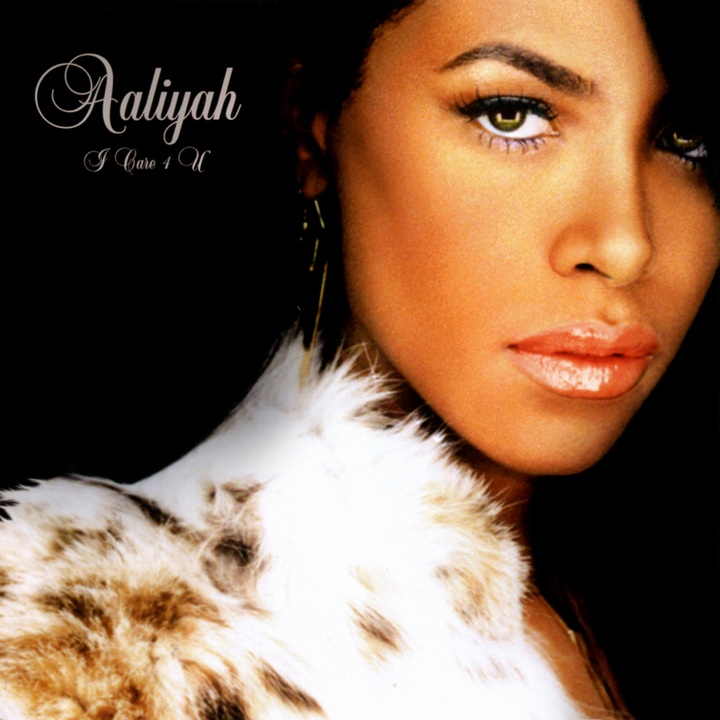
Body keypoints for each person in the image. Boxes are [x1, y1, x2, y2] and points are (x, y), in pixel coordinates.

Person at [1, 1, 717, 718]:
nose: (625, 245)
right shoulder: (92, 659)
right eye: (511, 115)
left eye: (686, 137)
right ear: (310, 128)